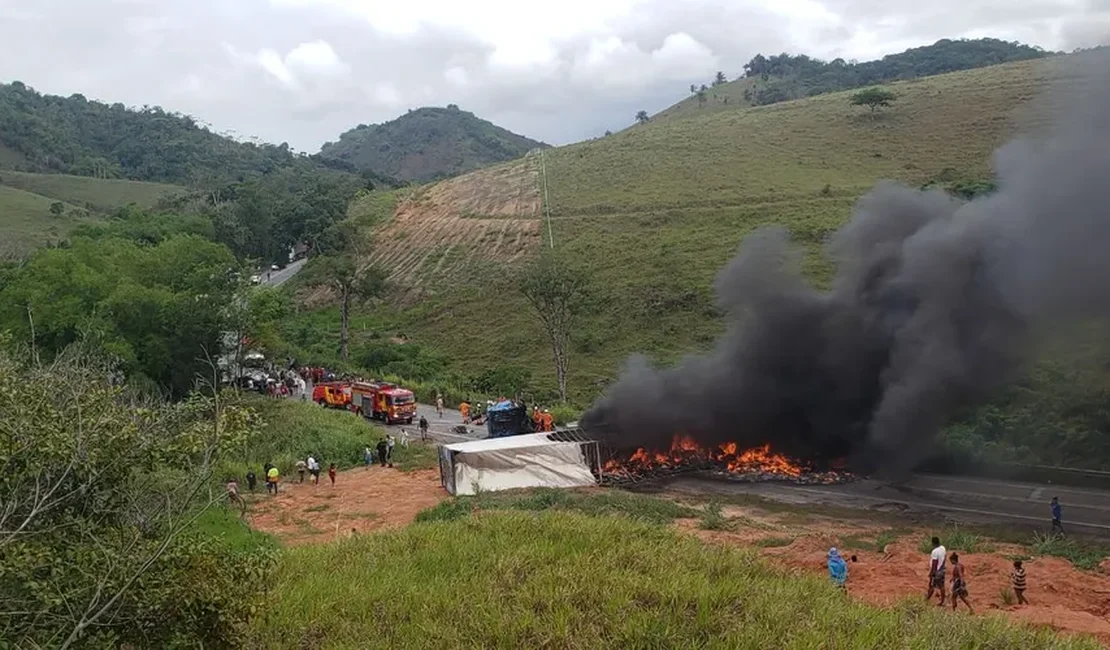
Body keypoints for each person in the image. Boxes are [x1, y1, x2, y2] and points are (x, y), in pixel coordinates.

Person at [925, 536, 947, 605]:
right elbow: (945, 557)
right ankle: (942, 601)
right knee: (941, 586)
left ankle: (926, 599)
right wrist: (942, 565)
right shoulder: (943, 548)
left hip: (936, 571)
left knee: (931, 585)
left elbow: (935, 563)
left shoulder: (934, 551)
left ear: (933, 543)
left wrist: (932, 572)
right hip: (942, 569)